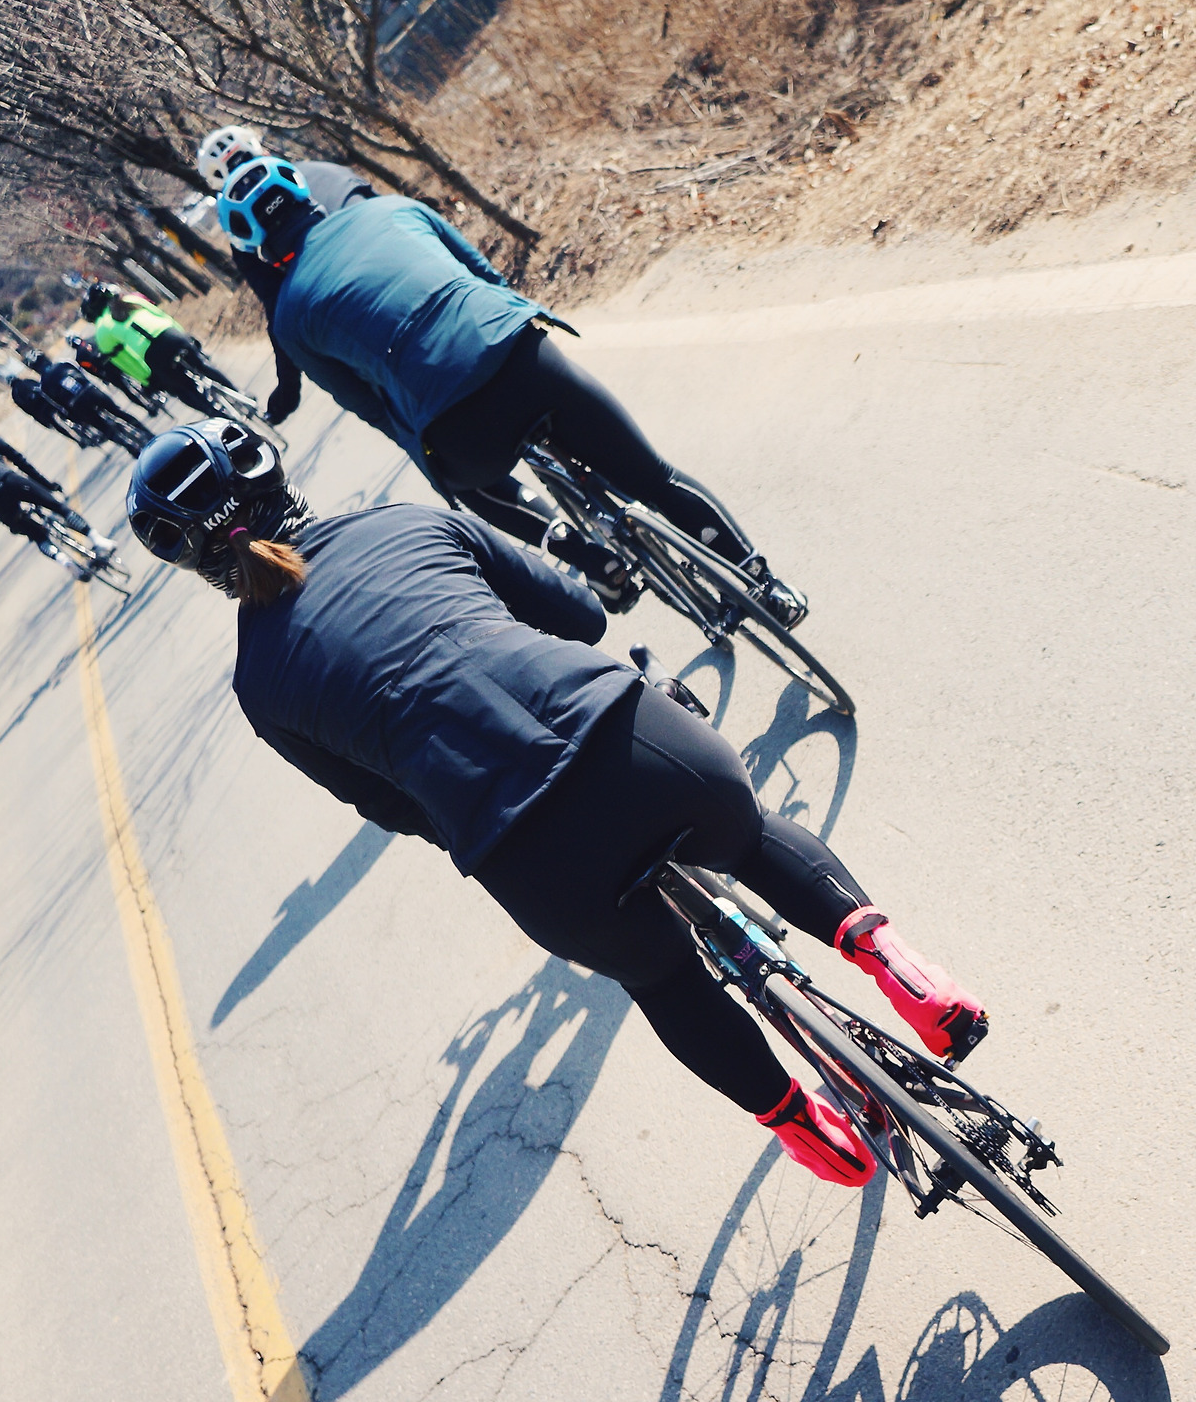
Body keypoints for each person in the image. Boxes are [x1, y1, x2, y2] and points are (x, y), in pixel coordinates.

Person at [126, 419, 987, 1187]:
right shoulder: (404, 523)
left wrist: (463, 801)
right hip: (627, 739)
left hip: (523, 852)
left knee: (663, 980)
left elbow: (387, 807)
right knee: (752, 840)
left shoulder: (258, 686)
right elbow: (580, 617)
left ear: (193, 563)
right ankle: (901, 969)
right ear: (276, 474)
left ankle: (805, 1128)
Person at [216, 157, 806, 626]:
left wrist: (429, 449)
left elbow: (371, 409)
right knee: (654, 478)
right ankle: (764, 584)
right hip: (524, 358)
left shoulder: (288, 318)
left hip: (460, 430)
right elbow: (489, 278)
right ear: (303, 190)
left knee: (470, 484)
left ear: (253, 241)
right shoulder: (396, 208)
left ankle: (586, 557)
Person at [196, 123, 377, 427]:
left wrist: (287, 392)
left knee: (370, 404)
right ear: (259, 149)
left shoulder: (243, 239)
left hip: (349, 320)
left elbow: (278, 312)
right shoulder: (322, 170)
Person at [0, 408, 115, 580]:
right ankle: (98, 540)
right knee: (57, 507)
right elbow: (19, 460)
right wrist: (47, 484)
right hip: (7, 480)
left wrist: (9, 521)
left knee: (36, 535)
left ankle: (65, 562)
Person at [80, 282, 234, 415]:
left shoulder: (101, 331)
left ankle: (219, 416)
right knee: (202, 365)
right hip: (172, 334)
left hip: (152, 353)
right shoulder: (131, 299)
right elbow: (161, 316)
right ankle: (237, 393)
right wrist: (186, 337)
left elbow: (126, 361)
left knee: (181, 390)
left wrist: (147, 379)